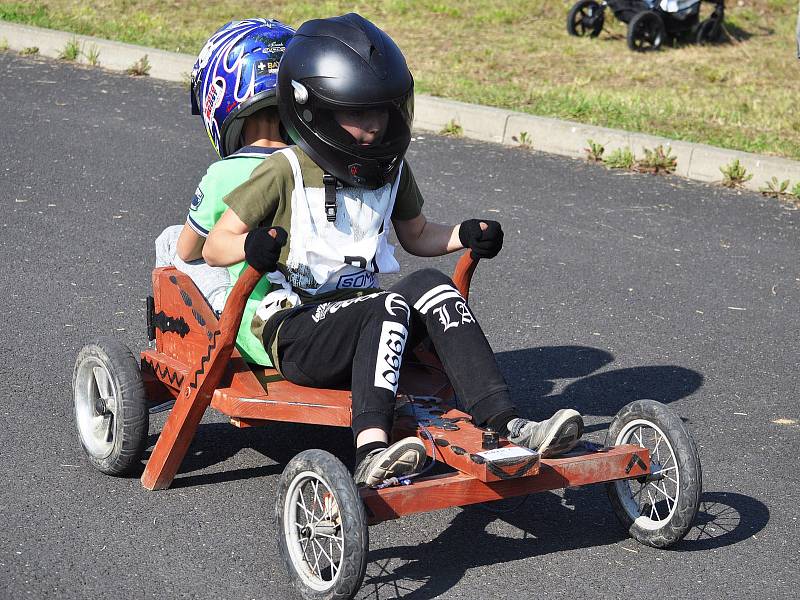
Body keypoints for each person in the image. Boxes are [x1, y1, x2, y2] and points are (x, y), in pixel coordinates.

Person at [204, 13, 584, 487]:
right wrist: (254, 245)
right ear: (313, 109)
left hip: (360, 313)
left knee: (433, 285)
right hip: (295, 327)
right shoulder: (285, 170)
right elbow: (214, 247)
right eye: (358, 113)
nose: (374, 127)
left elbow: (417, 235)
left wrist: (466, 234)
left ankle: (508, 424)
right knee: (386, 305)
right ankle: (371, 449)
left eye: (381, 112)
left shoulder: (390, 170)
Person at [154, 18, 295, 366]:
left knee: (172, 240)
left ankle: (184, 334)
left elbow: (188, 252)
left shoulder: (222, 174)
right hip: (307, 326)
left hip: (253, 333)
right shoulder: (311, 166)